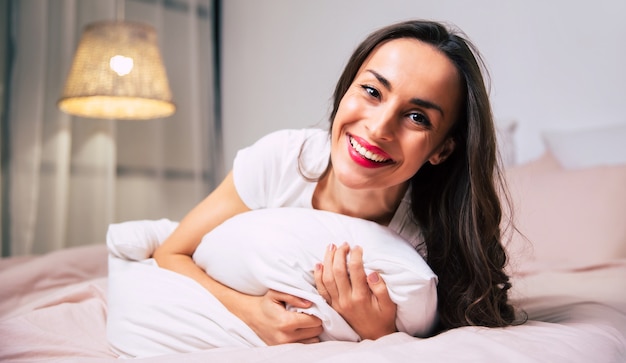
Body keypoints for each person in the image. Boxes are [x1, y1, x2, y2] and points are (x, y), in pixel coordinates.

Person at [153, 19, 517, 345]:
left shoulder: (430, 242)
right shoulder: (281, 161)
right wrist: (247, 310)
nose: (378, 128)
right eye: (372, 92)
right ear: (346, 90)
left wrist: (382, 335)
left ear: (441, 150)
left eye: (417, 117)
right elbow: (171, 253)